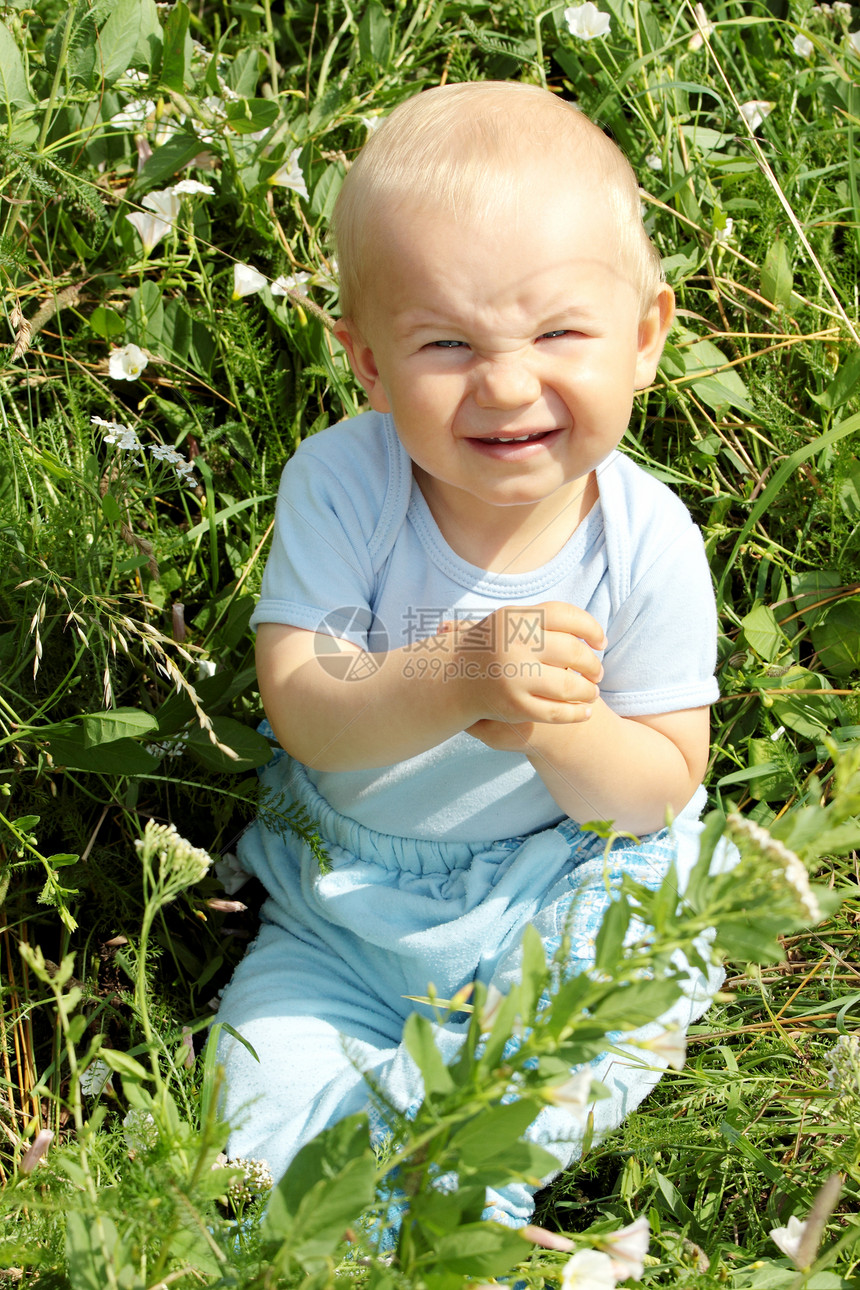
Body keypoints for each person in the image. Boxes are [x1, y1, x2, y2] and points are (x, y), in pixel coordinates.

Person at [215, 80, 731, 1231]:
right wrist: (457, 671)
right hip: (342, 918)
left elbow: (656, 791)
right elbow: (306, 708)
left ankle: (448, 1184)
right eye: (445, 343)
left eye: (557, 333)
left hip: (555, 889)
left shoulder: (643, 539)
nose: (505, 384)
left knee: (606, 1003)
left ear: (644, 337)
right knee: (253, 1112)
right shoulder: (343, 488)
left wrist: (558, 725)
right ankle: (347, 1194)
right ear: (366, 363)